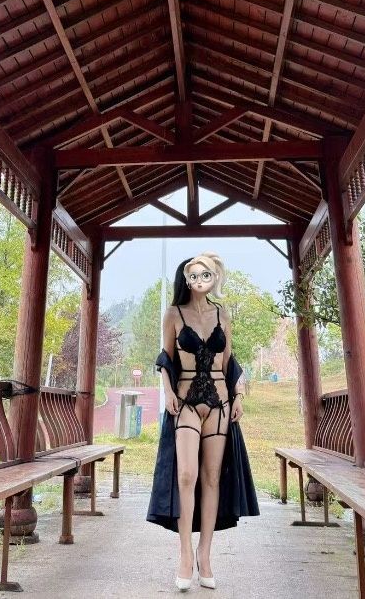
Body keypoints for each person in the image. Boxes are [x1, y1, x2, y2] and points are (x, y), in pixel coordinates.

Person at [146, 252, 260, 591]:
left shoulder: (223, 314)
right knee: (186, 475)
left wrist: (239, 396)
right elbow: (166, 359)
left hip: (220, 404)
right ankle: (184, 554)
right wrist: (167, 391)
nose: (200, 280)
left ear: (215, 277)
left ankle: (204, 555)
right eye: (195, 275)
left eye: (206, 274)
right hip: (185, 403)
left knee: (212, 478)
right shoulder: (173, 314)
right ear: (187, 278)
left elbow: (229, 361)